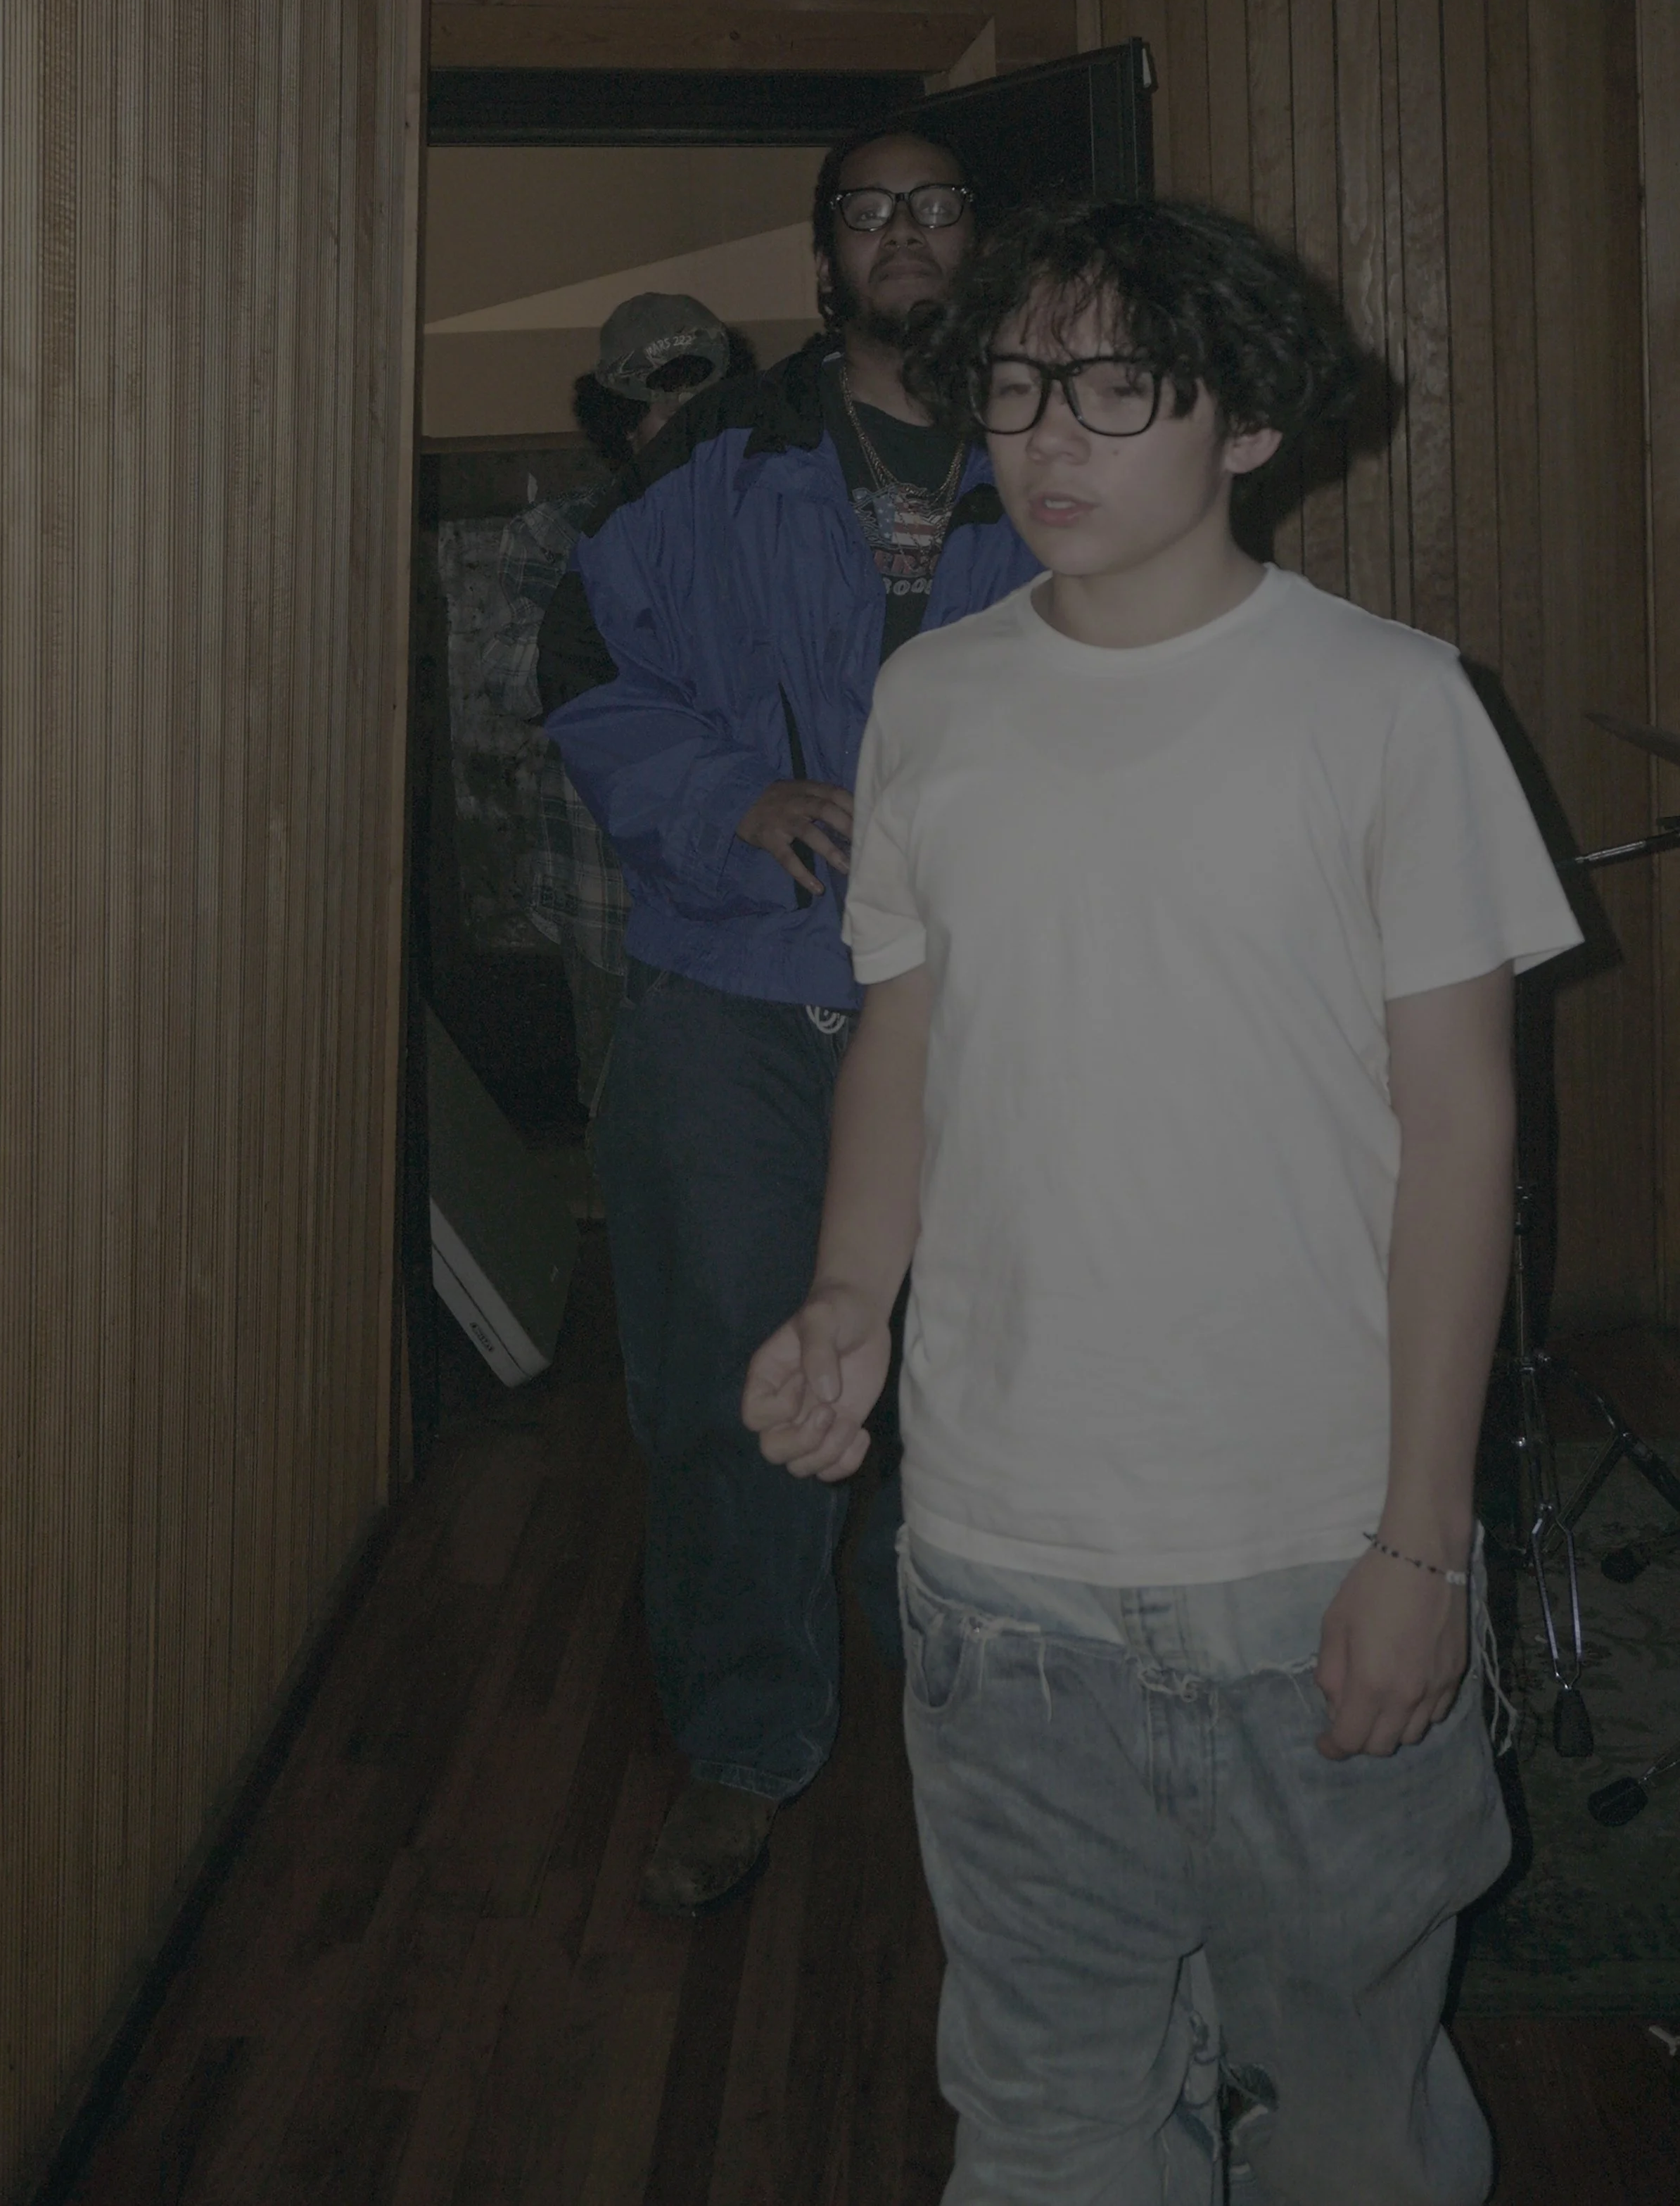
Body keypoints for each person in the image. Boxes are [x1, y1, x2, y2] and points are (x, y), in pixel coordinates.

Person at [745, 194, 1582, 2205]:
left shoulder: (1387, 703)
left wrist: (1418, 1537)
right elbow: (905, 1038)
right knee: (1042, 2114)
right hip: (996, 1570)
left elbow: (1463, 1135)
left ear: (1246, 426)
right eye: (1021, 384)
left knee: (1351, 2109)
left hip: (1304, 1558)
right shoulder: (933, 697)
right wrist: (848, 1290)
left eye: (1120, 386)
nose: (1051, 436)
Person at [540, 127, 1039, 1912]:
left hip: (985, 998)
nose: (904, 231)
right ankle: (748, 1737)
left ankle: (972, 1674)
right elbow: (588, 674)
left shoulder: (1065, 445)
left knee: (994, 1354)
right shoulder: (714, 460)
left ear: (981, 233)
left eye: (938, 197)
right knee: (722, 1375)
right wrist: (734, 799)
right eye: (866, 209)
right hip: (734, 984)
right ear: (823, 261)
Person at [480, 293, 744, 1115]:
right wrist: (629, 583)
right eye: (664, 405)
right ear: (621, 419)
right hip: (608, 904)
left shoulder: (779, 524)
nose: (687, 422)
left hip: (751, 900)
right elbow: (509, 683)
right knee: (630, 1147)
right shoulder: (553, 535)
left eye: (707, 403)